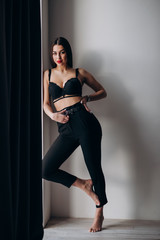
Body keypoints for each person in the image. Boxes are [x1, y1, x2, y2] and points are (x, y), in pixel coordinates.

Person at [42, 37, 108, 232]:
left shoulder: (79, 72)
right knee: (45, 169)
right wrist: (53, 115)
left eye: (61, 52)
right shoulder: (47, 75)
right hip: (65, 127)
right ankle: (83, 185)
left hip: (85, 122)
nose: (58, 56)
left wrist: (87, 97)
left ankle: (99, 212)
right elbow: (45, 103)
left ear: (67, 53)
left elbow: (103, 91)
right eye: (54, 53)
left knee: (94, 168)